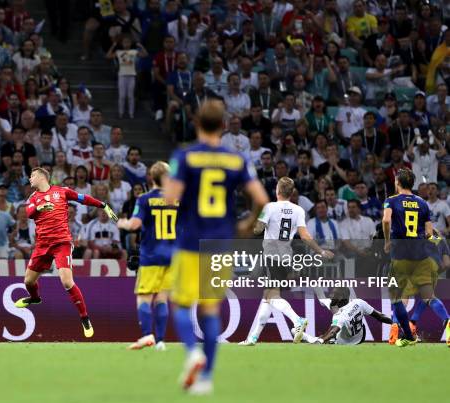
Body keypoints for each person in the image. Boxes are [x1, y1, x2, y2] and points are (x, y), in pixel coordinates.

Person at [164, 99, 269, 394]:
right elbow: (261, 199)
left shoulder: (184, 157)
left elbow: (170, 199)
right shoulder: (236, 160)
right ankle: (206, 378)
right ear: (224, 126)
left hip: (190, 241)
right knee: (210, 310)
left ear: (197, 123)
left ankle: (191, 352)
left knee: (183, 304)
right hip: (220, 244)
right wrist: (247, 225)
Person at [13, 167, 119, 338]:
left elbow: (83, 198)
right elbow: (30, 212)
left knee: (67, 282)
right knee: (28, 282)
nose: (30, 178)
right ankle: (34, 298)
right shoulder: (33, 198)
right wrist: (41, 207)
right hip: (42, 245)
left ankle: (85, 318)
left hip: (61, 242)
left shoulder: (62, 192)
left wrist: (103, 205)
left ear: (42, 177)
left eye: (32, 175)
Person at [240, 177, 333, 346]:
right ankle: (253, 337)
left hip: (270, 256)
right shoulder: (298, 210)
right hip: (286, 257)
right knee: (267, 297)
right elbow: (304, 236)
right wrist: (320, 250)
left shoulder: (269, 207)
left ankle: (297, 320)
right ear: (291, 193)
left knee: (272, 296)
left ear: (277, 190)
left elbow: (257, 229)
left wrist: (255, 220)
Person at [382, 168, 449, 347]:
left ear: (397, 182)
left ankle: (396, 328)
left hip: (400, 255)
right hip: (420, 256)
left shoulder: (391, 201)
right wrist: (441, 242)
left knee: (398, 296)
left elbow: (386, 220)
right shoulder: (422, 203)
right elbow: (429, 234)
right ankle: (448, 322)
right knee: (428, 295)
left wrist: (387, 241)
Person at [117, 162, 177, 351]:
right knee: (162, 299)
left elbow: (134, 225)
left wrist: (123, 223)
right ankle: (160, 341)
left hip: (151, 256)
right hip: (172, 256)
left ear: (151, 177)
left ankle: (146, 336)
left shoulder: (144, 199)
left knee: (144, 298)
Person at [317, 288, 393, 345]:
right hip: (361, 337)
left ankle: (332, 341)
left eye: (333, 294)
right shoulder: (359, 302)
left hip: (344, 342)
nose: (330, 296)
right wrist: (394, 323)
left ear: (340, 297)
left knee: (326, 334)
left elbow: (332, 332)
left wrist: (320, 341)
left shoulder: (339, 316)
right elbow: (380, 316)